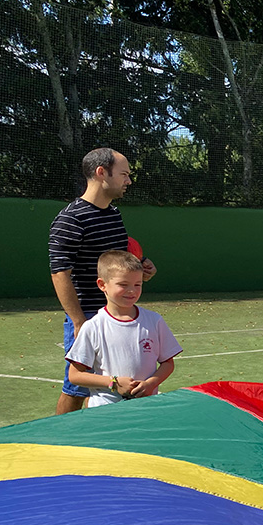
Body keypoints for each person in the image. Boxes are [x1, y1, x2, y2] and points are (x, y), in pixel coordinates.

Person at [49, 147, 157, 414]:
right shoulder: (70, 219)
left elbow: (119, 262)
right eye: (124, 174)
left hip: (118, 314)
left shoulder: (114, 215)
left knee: (106, 385)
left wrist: (142, 269)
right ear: (101, 173)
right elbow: (59, 273)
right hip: (87, 314)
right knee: (75, 388)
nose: (128, 181)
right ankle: (59, 441)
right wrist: (78, 321)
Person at [66, 250, 180, 407]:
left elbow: (168, 363)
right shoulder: (93, 327)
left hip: (147, 406)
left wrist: (150, 384)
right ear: (102, 285)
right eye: (123, 285)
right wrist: (114, 383)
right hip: (106, 410)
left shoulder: (154, 321)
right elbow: (75, 375)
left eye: (137, 284)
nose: (132, 290)